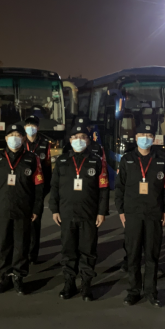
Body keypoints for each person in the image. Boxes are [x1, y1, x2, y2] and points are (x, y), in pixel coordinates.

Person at [115, 123, 165, 307]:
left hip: (154, 214)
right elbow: (119, 187)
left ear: (153, 138)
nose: (145, 138)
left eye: (148, 135)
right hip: (132, 214)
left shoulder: (162, 160)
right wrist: (121, 211)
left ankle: (151, 291)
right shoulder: (127, 159)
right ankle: (133, 291)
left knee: (152, 255)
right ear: (136, 137)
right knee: (132, 255)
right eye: (141, 134)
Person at [50, 125, 109, 301]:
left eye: (83, 136)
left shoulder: (97, 161)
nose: (79, 140)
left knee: (88, 251)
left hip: (89, 213)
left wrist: (101, 212)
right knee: (68, 250)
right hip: (67, 213)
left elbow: (104, 188)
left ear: (88, 140)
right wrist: (54, 209)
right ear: (70, 140)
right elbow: (54, 187)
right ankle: (69, 283)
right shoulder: (62, 161)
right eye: (75, 137)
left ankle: (86, 284)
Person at [0, 124, 45, 295]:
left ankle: (19, 276)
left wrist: (36, 209)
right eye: (11, 135)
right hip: (1, 208)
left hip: (23, 209)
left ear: (23, 138)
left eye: (18, 135)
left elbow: (39, 187)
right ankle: (5, 277)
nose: (14, 138)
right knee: (4, 245)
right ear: (5, 138)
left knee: (21, 245)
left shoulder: (32, 159)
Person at [23, 115, 52, 264]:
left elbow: (47, 167)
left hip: (38, 188)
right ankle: (22, 252)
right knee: (22, 224)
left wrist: (44, 189)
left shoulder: (45, 144)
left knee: (35, 223)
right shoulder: (20, 142)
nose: (31, 127)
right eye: (28, 124)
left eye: (33, 125)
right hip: (22, 188)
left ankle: (33, 254)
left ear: (38, 127)